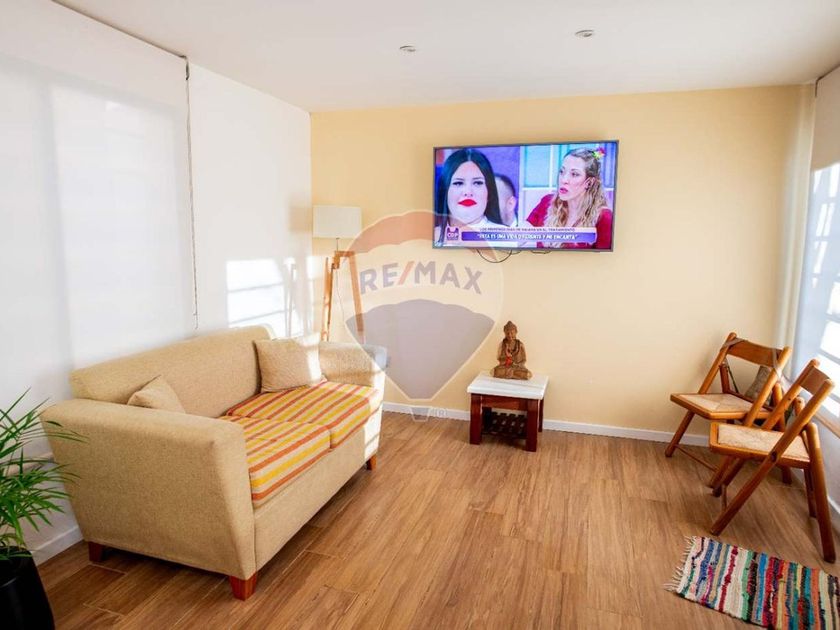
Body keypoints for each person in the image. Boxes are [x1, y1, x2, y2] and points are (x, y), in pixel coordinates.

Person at [526, 147, 613, 249]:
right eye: (562, 172)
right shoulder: (547, 202)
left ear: (589, 183)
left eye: (574, 174)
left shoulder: (604, 217)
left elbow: (605, 258)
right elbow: (521, 234)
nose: (564, 180)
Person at [434, 148, 503, 244]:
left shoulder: (506, 239)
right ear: (445, 191)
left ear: (489, 192)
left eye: (477, 183)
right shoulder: (428, 237)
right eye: (458, 183)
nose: (468, 192)